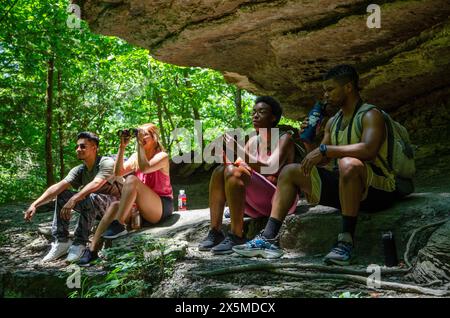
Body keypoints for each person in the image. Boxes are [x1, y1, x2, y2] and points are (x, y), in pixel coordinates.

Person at [233, 64, 401, 264]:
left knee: (348, 164)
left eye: (330, 89)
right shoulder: (333, 122)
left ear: (348, 87)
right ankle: (268, 238)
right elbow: (322, 160)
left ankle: (345, 242)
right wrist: (309, 141)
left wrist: (326, 150)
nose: (326, 95)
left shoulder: (370, 115)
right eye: (325, 90)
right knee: (290, 171)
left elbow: (368, 149)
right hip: (347, 189)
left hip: (378, 191)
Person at [198, 96, 297, 255]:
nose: (255, 116)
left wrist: (237, 150)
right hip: (255, 201)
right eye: (254, 112)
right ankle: (215, 232)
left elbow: (270, 168)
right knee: (219, 171)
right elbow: (240, 167)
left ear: (273, 118)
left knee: (232, 171)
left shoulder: (284, 138)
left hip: (277, 200)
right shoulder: (253, 141)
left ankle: (237, 234)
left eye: (262, 112)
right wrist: (225, 153)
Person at [77, 123, 173, 265]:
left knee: (132, 179)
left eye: (145, 134)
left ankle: (119, 224)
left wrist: (139, 145)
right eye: (140, 134)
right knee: (115, 205)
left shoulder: (162, 156)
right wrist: (122, 147)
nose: (141, 136)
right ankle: (92, 250)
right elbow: (118, 173)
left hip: (161, 206)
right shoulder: (136, 156)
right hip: (143, 209)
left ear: (154, 138)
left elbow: (145, 168)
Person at [24, 132, 121, 263]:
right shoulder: (80, 169)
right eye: (77, 147)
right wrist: (35, 204)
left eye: (82, 146)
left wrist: (74, 198)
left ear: (94, 148)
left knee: (89, 196)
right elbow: (59, 186)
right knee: (63, 194)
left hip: (116, 210)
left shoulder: (106, 162)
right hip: (94, 208)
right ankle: (62, 241)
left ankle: (79, 243)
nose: (78, 149)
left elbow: (97, 183)